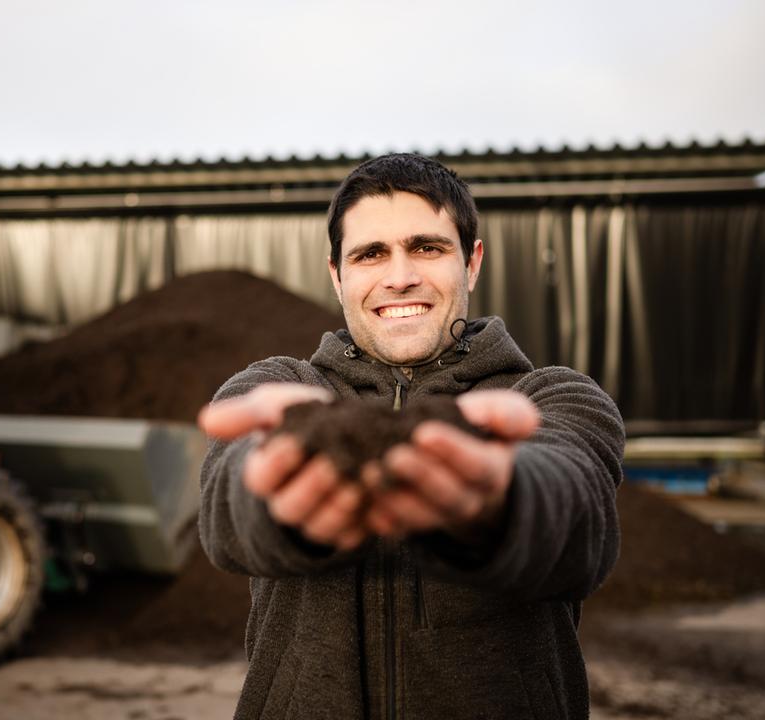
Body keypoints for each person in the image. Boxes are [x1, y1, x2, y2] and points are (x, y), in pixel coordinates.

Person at [197, 153, 625, 720]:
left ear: (471, 263)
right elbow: (227, 509)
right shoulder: (274, 388)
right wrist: (277, 492)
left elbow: (578, 510)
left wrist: (500, 502)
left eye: (427, 247)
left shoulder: (553, 398)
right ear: (337, 274)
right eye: (370, 253)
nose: (399, 275)